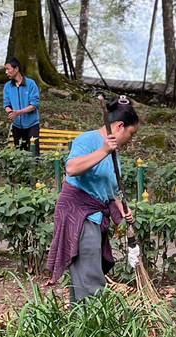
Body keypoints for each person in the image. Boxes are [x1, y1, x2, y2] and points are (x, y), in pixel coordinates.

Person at [46, 97, 139, 303]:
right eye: (131, 134)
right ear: (120, 126)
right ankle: (94, 327)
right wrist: (103, 150)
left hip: (96, 217)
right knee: (90, 277)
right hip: (79, 214)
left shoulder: (114, 155)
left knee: (84, 275)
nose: (130, 140)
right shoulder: (87, 140)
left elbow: (111, 190)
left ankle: (78, 329)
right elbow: (71, 169)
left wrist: (123, 208)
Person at [3, 58, 40, 152]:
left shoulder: (31, 84)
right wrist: (10, 112)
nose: (6, 72)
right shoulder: (7, 86)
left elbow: (34, 105)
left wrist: (18, 112)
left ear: (16, 69)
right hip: (17, 126)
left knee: (33, 154)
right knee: (20, 154)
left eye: (8, 69)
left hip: (32, 125)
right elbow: (6, 104)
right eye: (5, 70)